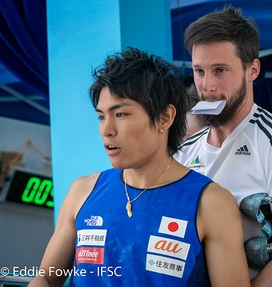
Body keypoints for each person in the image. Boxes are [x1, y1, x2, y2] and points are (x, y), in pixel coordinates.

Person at [28, 47, 250, 287]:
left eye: (121, 114)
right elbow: (47, 278)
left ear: (165, 117)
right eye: (101, 116)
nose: (107, 130)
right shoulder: (82, 192)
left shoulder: (211, 203)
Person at [174, 5, 272, 286]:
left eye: (220, 70)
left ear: (252, 69)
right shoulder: (183, 151)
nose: (206, 86)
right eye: (199, 71)